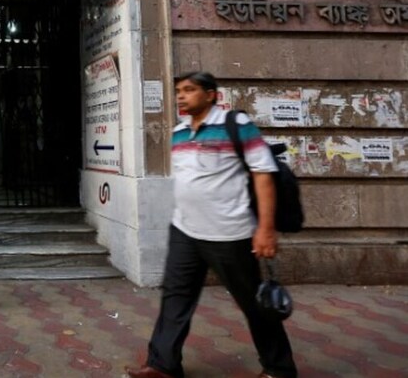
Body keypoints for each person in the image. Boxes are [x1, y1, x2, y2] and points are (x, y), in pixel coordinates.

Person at [126, 72, 297, 378]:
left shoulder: (237, 125)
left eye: (189, 90)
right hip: (185, 231)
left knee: (253, 303)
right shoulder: (179, 132)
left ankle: (279, 369)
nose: (181, 96)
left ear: (210, 95)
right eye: (179, 90)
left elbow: (263, 174)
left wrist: (266, 229)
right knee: (175, 297)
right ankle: (163, 365)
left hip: (229, 233)